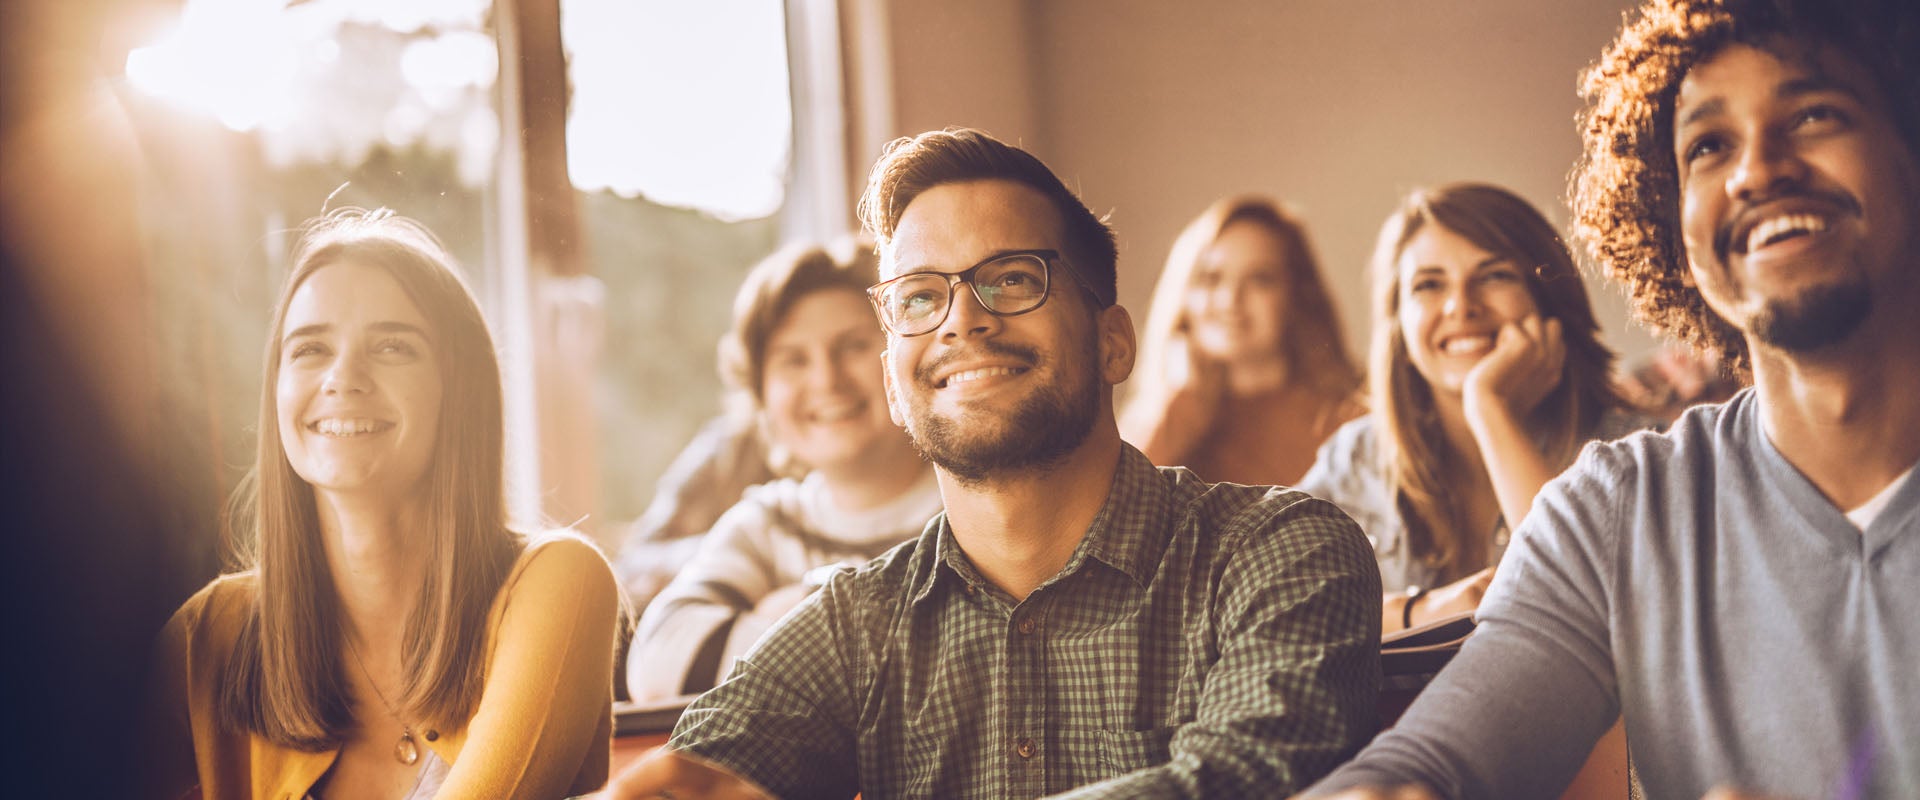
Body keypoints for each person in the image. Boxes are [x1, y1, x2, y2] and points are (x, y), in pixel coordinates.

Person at [601, 128, 1381, 799]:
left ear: (1114, 341)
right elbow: (694, 777)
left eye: (1011, 278)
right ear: (893, 383)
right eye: (917, 296)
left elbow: (1245, 780)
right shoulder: (856, 623)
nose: (963, 320)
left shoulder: (1282, 553)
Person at [1306, 0, 1920, 797]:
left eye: (1812, 115)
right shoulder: (1617, 509)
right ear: (1671, 223)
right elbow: (1434, 764)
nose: (1757, 170)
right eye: (1708, 145)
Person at [138, 209, 621, 799]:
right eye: (310, 349)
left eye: (393, 346)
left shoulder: (558, 583)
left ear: (458, 390)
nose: (343, 376)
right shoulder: (204, 639)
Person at [1297, 183, 1652, 634]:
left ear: (1547, 300)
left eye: (1494, 276)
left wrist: (1489, 408)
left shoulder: (1633, 453)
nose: (1461, 305)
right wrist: (1417, 612)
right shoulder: (1355, 459)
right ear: (1398, 322)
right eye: (1429, 285)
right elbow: (1265, 601)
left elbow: (1593, 611)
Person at [625, 240, 941, 701]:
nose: (826, 380)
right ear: (762, 399)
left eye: (853, 346)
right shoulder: (765, 525)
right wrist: (830, 604)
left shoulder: (970, 504)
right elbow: (659, 672)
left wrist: (785, 609)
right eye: (793, 360)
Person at [1121, 195, 1363, 486]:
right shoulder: (1152, 422)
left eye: (1260, 279)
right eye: (1211, 278)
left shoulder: (1351, 417)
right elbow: (1114, 517)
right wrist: (1182, 404)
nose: (1230, 300)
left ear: (1296, 295)